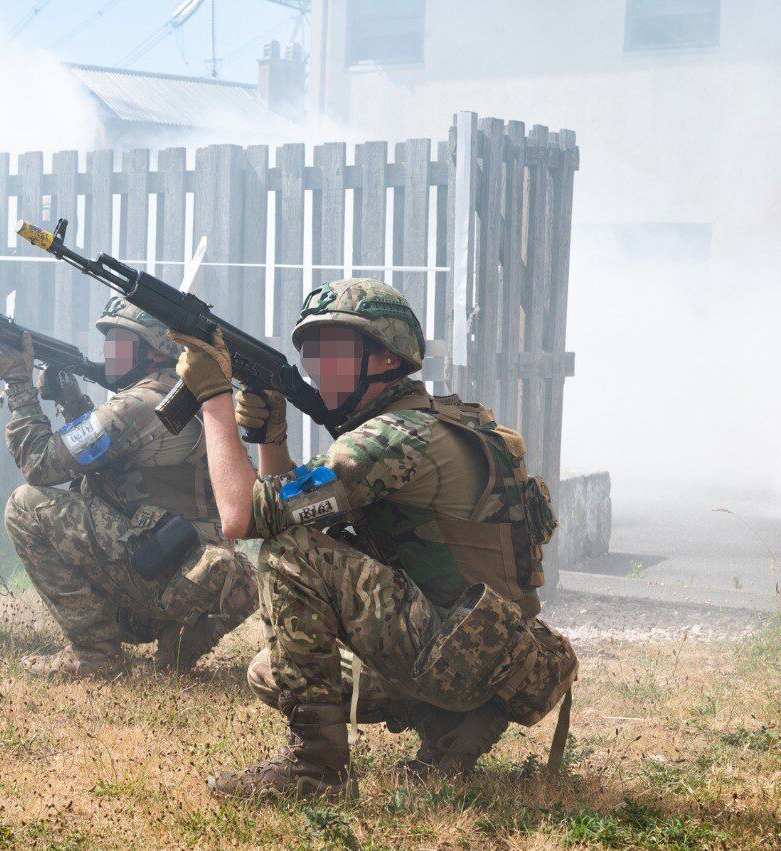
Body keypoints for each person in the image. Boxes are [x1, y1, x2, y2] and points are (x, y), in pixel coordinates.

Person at [168, 278, 577, 799]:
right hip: (486, 653)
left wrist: (212, 398)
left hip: (457, 654)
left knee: (288, 557)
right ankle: (452, 725)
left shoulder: (391, 438)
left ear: (384, 359)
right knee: (269, 671)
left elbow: (243, 518)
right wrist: (273, 438)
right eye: (311, 352)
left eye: (332, 351)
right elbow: (298, 511)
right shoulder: (430, 424)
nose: (317, 368)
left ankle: (314, 771)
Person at [0, 296, 258, 678]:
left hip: (161, 571)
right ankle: (172, 642)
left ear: (154, 351)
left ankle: (94, 653)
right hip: (199, 575)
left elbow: (41, 463)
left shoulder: (138, 404)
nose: (109, 352)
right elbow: (107, 465)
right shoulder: (183, 395)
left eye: (121, 343)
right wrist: (71, 400)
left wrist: (18, 385)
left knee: (26, 505)